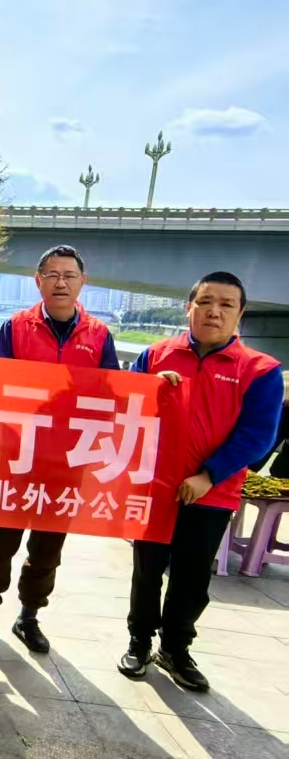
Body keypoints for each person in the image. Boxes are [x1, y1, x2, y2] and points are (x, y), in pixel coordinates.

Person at [119, 272, 282, 692]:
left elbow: (258, 436)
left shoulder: (260, 370)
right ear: (188, 307)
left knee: (192, 577)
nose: (214, 312)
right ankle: (139, 641)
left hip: (211, 494)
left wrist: (209, 475)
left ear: (240, 314)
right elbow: (124, 406)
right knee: (146, 570)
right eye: (205, 302)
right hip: (155, 489)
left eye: (227, 304)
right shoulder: (156, 355)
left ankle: (175, 648)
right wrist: (150, 389)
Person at [0, 244, 119, 653]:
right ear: (38, 281)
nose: (60, 282)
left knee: (48, 549)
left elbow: (112, 395)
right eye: (52, 274)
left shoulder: (100, 335)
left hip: (67, 463)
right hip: (15, 459)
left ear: (83, 282)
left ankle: (29, 616)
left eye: (69, 275)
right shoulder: (15, 327)